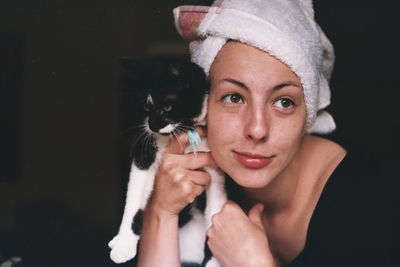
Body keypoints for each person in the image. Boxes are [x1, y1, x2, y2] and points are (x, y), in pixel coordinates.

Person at [136, 0, 394, 266]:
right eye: (234, 98)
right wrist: (161, 210)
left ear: (308, 113)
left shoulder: (376, 204)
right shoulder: (193, 180)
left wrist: (254, 261)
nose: (257, 129)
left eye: (284, 102)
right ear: (202, 107)